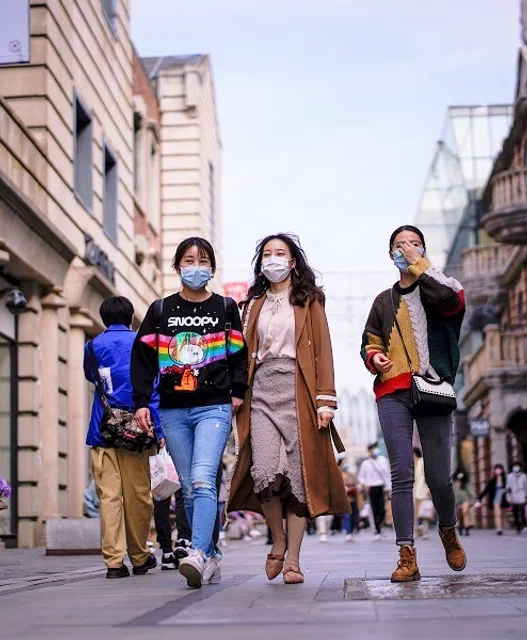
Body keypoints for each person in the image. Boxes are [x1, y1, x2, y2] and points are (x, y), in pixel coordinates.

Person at [227, 233, 349, 585]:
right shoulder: (251, 304)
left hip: (299, 392)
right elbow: (239, 354)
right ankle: (277, 541)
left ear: (293, 261)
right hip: (260, 391)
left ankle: (293, 559)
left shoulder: (309, 300)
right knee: (265, 470)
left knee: (299, 478)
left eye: (281, 253)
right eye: (268, 254)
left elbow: (322, 351)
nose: (274, 259)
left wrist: (325, 401)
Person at [132, 237, 248, 589]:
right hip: (173, 411)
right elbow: (142, 358)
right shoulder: (160, 310)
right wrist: (140, 402)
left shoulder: (226, 307)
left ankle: (196, 552)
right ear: (177, 266)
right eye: (188, 259)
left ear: (211, 268)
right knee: (189, 486)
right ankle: (210, 555)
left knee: (201, 478)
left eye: (202, 260)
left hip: (213, 406)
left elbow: (240, 353)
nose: (195, 266)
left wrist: (238, 393)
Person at [361, 224, 467, 582]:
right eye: (398, 245)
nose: (405, 249)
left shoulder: (441, 288)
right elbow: (369, 341)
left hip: (434, 388)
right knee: (401, 473)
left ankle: (448, 530)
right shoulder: (383, 301)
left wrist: (419, 266)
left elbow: (452, 302)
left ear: (423, 250)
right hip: (393, 390)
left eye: (413, 244)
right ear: (388, 253)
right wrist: (374, 358)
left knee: (439, 477)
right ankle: (407, 554)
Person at [85, 296, 164, 579]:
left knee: (108, 497)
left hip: (102, 429)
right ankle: (140, 556)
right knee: (139, 496)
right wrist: (159, 429)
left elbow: (92, 377)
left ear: (104, 318)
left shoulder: (92, 346)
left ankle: (114, 563)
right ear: (131, 317)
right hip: (138, 432)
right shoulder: (143, 343)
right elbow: (154, 388)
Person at [357, 443, 392, 540]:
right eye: (373, 449)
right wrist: (364, 484)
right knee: (374, 509)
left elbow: (388, 474)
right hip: (371, 487)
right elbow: (360, 477)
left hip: (381, 487)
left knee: (382, 509)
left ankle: (380, 525)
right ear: (369, 451)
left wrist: (389, 487)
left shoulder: (384, 461)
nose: (375, 450)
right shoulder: (366, 463)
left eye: (376, 448)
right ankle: (377, 530)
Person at [475, 464, 508, 535]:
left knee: (502, 514)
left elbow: (510, 488)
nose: (498, 470)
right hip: (495, 499)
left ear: (502, 470)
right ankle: (499, 529)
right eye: (497, 469)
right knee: (497, 514)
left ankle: (501, 527)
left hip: (503, 499)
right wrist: (479, 498)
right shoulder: (492, 481)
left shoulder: (506, 480)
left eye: (499, 469)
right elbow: (486, 490)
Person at [507, 462, 527, 534]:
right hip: (513, 495)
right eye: (514, 466)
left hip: (522, 494)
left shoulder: (524, 476)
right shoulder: (509, 476)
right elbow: (508, 487)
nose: (516, 467)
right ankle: (518, 526)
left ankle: (524, 524)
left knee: (522, 510)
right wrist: (508, 496)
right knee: (515, 511)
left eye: (517, 466)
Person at [453, 470, 474, 536]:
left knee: (465, 513)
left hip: (466, 499)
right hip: (457, 500)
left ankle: (467, 529)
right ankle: (460, 528)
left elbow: (470, 491)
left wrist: (476, 497)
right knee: (459, 515)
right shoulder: (454, 483)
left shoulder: (466, 483)